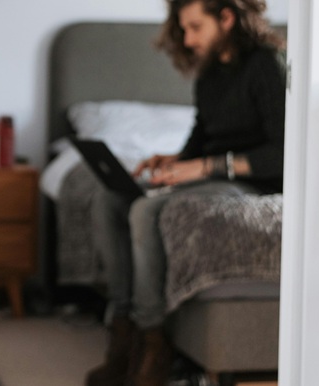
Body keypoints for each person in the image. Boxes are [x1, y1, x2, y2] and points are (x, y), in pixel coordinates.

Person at [85, 1, 285, 385]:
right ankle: (123, 335)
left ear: (226, 18)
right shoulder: (210, 73)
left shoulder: (267, 64)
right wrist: (172, 160)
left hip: (255, 182)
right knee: (111, 198)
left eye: (195, 27)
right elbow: (201, 139)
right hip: (213, 172)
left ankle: (153, 342)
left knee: (145, 211)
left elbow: (281, 153)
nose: (188, 39)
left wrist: (205, 167)